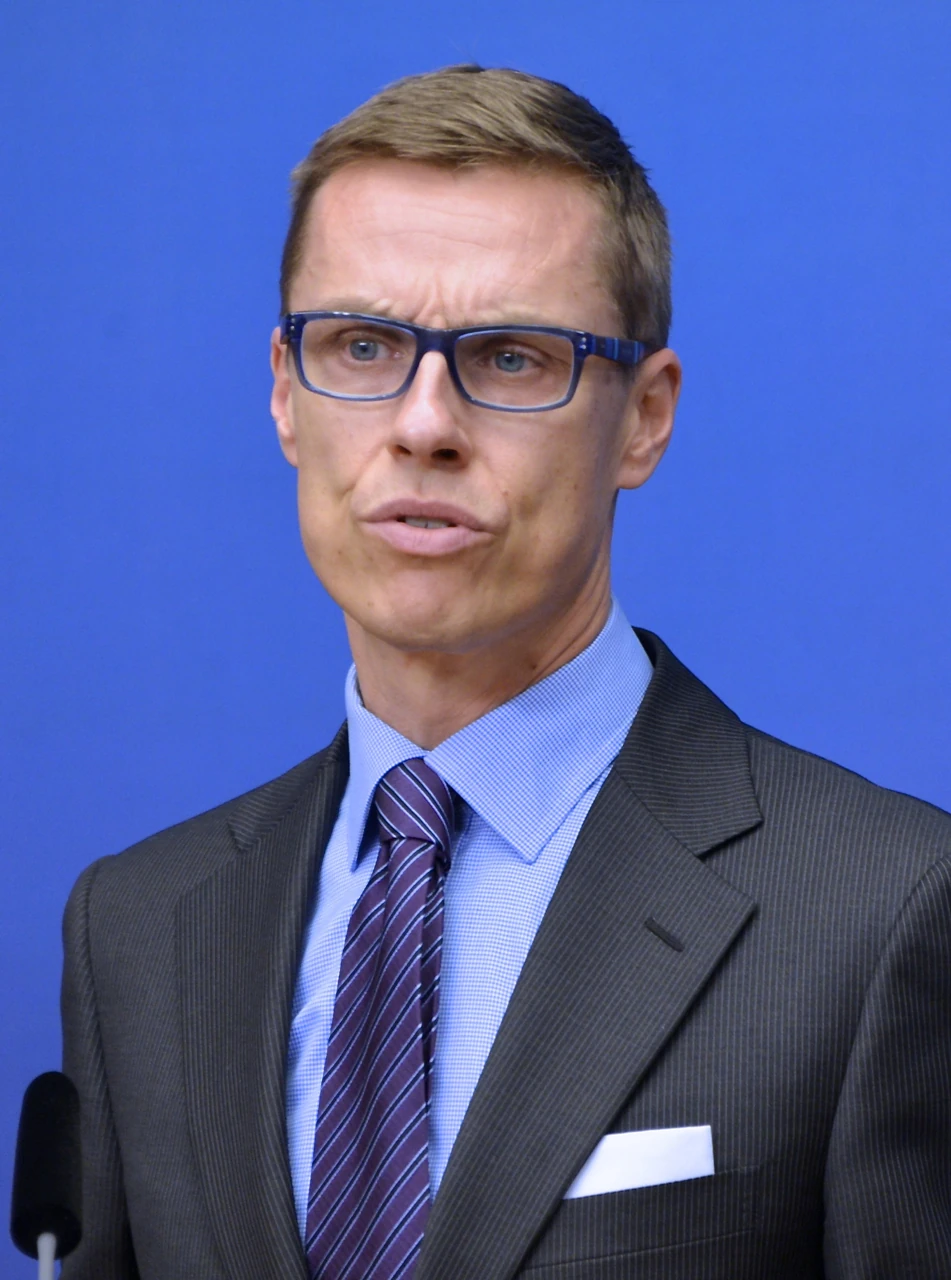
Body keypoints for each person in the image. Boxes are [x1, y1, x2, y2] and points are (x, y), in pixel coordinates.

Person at [60, 65, 951, 1280]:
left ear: (645, 416)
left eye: (513, 357)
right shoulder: (137, 927)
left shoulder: (884, 909)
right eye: (362, 344)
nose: (424, 422)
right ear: (283, 393)